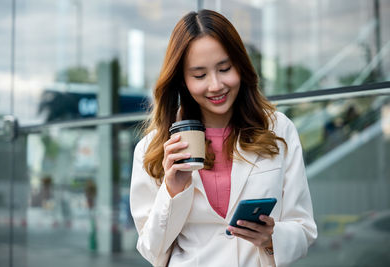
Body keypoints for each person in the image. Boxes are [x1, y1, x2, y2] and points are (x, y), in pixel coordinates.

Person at [130, 9, 317, 267]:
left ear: (240, 65)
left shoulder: (278, 130)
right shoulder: (152, 149)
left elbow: (304, 228)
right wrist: (172, 191)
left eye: (225, 68)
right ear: (182, 80)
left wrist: (271, 238)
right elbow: (152, 251)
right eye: (199, 75)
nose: (216, 84)